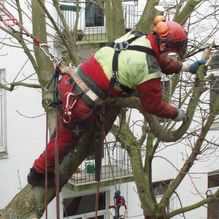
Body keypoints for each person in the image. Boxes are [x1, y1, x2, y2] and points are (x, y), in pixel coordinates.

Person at [27, 16, 206, 186]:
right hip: (81, 100)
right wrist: (176, 114)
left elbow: (162, 60)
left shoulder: (139, 37)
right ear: (165, 44)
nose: (171, 54)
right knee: (65, 139)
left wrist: (186, 67)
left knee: (65, 131)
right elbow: (153, 105)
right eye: (172, 50)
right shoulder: (147, 66)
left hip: (72, 82)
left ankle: (51, 156)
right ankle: (38, 172)